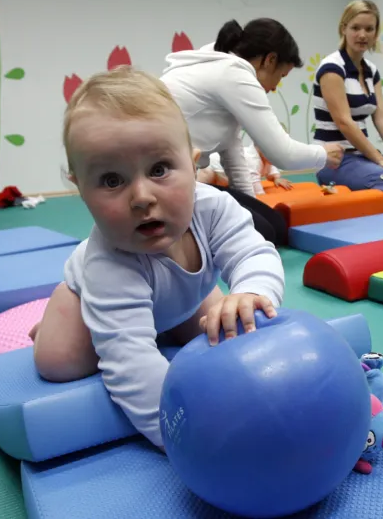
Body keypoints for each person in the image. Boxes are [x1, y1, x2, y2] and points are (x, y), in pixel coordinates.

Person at [28, 67, 286, 450]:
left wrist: (250, 291)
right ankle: (55, 320)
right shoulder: (108, 262)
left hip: (183, 298)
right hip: (89, 302)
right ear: (80, 189)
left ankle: (159, 324)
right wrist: (180, 436)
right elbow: (132, 367)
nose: (141, 197)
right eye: (112, 181)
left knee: (228, 329)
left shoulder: (214, 207)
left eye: (160, 169)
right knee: (58, 362)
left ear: (194, 163)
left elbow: (253, 252)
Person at [160, 18, 343, 246]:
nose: (276, 87)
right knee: (263, 231)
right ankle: (185, 236)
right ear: (270, 60)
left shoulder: (220, 62)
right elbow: (282, 153)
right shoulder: (233, 73)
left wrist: (250, 204)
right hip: (167, 185)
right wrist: (324, 155)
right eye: (281, 76)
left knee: (272, 225)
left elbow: (231, 149)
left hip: (172, 178)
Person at [312, 0, 383, 211]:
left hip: (361, 156)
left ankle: (366, 185)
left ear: (376, 33)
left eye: (369, 29)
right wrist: (379, 160)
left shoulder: (371, 71)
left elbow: (381, 115)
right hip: (335, 160)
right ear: (343, 29)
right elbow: (344, 122)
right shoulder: (332, 68)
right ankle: (344, 193)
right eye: (356, 28)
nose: (362, 35)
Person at [200, 136, 294, 196]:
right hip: (214, 169)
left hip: (227, 179)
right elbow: (256, 189)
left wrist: (275, 178)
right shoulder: (252, 159)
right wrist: (261, 195)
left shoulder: (266, 160)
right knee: (203, 183)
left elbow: (271, 171)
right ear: (259, 147)